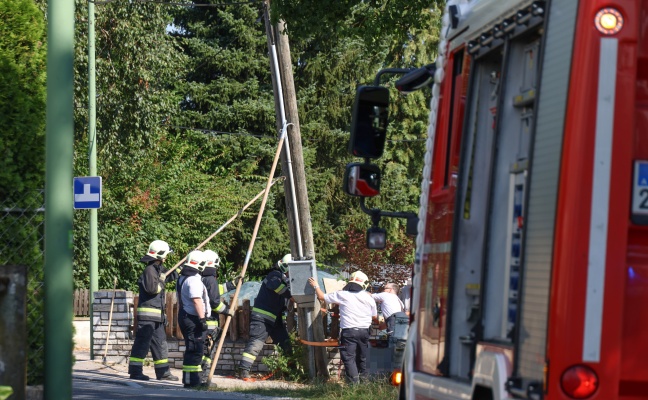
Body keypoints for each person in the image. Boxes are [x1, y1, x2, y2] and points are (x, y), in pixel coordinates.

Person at [308, 270, 378, 384]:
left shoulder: (341, 294)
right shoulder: (369, 298)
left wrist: (315, 285)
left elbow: (321, 297)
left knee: (349, 359)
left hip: (349, 332)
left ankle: (354, 385)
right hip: (364, 332)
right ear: (364, 284)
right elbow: (374, 316)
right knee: (362, 358)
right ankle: (364, 384)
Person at [236, 253, 293, 382]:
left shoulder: (284, 279)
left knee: (285, 344)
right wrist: (291, 295)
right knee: (256, 343)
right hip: (261, 317)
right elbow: (278, 288)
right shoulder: (274, 276)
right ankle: (243, 371)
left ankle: (290, 371)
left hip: (275, 319)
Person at [128, 240, 179, 381]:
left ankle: (163, 373)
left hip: (157, 317)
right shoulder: (150, 270)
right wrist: (162, 280)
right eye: (166, 255)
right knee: (142, 343)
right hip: (148, 316)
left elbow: (168, 275)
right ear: (160, 255)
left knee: (160, 344)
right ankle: (135, 371)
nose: (167, 257)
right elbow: (153, 289)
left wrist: (182, 267)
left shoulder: (157, 270)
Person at [177, 250, 211, 388]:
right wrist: (202, 320)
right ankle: (193, 382)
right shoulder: (193, 280)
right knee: (195, 350)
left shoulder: (183, 277)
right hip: (193, 319)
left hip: (186, 316)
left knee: (192, 349)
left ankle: (189, 381)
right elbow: (197, 300)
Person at [200, 249, 236, 374]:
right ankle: (204, 376)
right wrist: (227, 311)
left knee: (202, 350)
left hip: (200, 321)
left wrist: (232, 284)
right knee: (208, 351)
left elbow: (215, 290)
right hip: (210, 323)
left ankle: (200, 375)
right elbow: (215, 302)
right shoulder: (210, 279)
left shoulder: (199, 278)